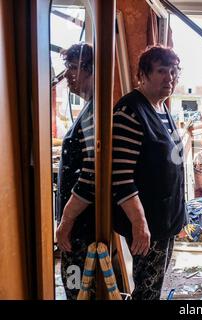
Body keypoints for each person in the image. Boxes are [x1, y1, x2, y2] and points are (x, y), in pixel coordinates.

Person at [112, 45, 186, 300]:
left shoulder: (161, 107)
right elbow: (120, 177)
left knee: (153, 287)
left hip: (165, 220)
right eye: (161, 71)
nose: (170, 78)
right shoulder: (131, 110)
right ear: (142, 75)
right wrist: (139, 223)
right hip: (148, 223)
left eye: (174, 71)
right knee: (147, 291)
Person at [55, 42, 95, 300]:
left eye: (72, 67)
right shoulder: (89, 109)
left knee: (75, 286)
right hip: (78, 223)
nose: (67, 75)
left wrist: (66, 221)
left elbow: (90, 175)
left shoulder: (94, 114)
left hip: (80, 226)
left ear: (89, 69)